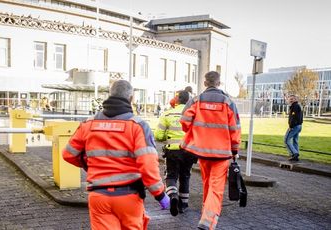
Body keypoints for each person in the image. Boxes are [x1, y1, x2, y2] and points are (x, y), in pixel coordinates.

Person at [63, 80, 169, 230]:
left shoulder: (88, 124)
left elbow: (68, 154)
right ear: (131, 98)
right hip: (129, 197)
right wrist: (159, 194)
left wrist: (90, 164)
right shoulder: (138, 126)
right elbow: (148, 164)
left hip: (98, 196)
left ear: (109, 95)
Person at [180, 71, 241, 230]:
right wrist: (234, 151)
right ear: (219, 83)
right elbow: (235, 130)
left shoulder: (196, 101)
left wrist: (196, 131)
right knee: (216, 187)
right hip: (222, 153)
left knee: (207, 184)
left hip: (202, 152)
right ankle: (207, 221)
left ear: (205, 83)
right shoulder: (228, 103)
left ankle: (205, 214)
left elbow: (184, 121)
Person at [154, 90, 197, 216]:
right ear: (188, 100)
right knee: (185, 176)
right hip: (189, 150)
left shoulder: (167, 114)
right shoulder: (194, 114)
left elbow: (158, 135)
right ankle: (183, 205)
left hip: (172, 151)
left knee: (171, 176)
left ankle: (173, 196)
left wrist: (167, 136)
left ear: (176, 100)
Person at [284, 94, 303, 161]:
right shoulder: (298, 106)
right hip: (299, 126)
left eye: (292, 99)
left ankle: (294, 153)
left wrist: (291, 126)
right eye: (290, 99)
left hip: (294, 126)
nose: (291, 100)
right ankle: (296, 156)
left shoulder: (294, 106)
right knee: (295, 140)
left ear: (295, 99)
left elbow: (293, 117)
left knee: (286, 140)